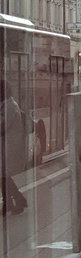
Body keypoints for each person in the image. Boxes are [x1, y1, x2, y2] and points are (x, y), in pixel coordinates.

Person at [1, 79, 30, 215]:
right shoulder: (6, 105)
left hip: (8, 149)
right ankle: (12, 203)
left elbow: (2, 125)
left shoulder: (10, 107)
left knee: (3, 177)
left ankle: (17, 200)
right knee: (3, 177)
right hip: (6, 148)